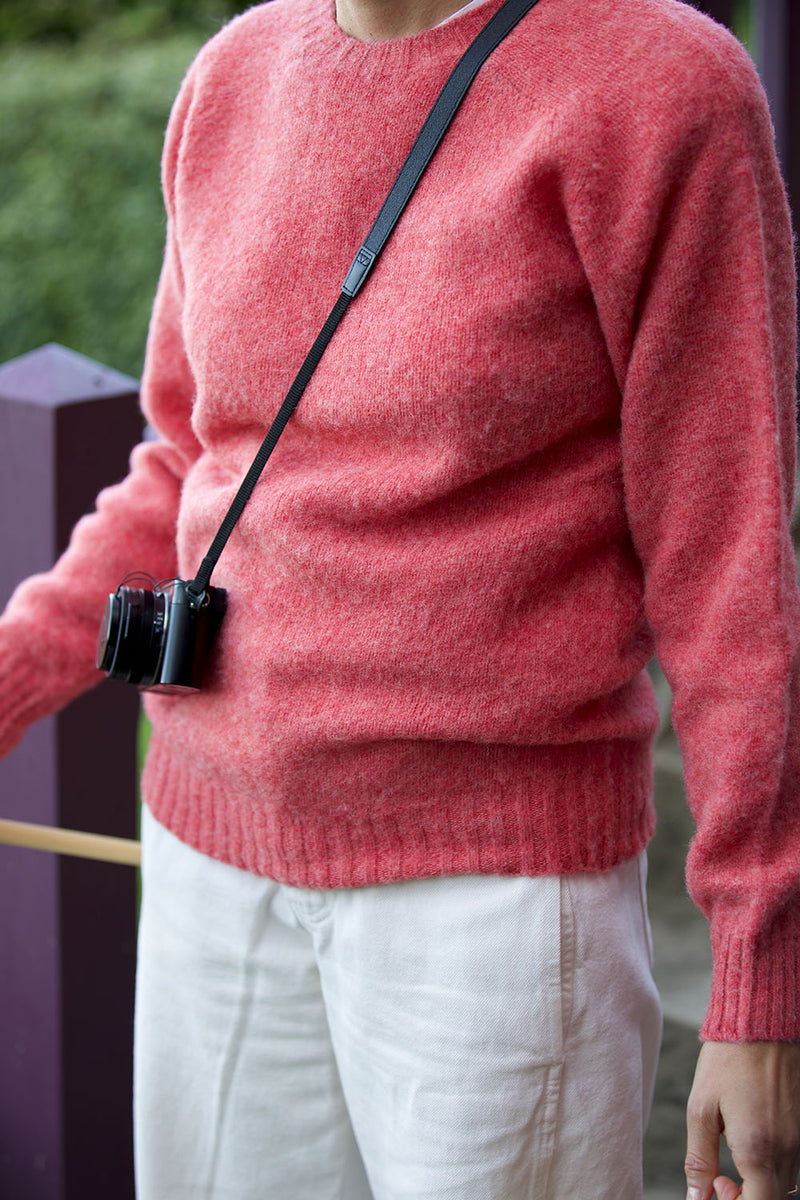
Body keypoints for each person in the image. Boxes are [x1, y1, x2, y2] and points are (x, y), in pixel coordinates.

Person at [1, 0, 799, 1195]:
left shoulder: (655, 81)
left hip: (492, 903)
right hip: (209, 864)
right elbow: (187, 460)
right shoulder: (235, 72)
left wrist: (759, 973)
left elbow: (726, 561)